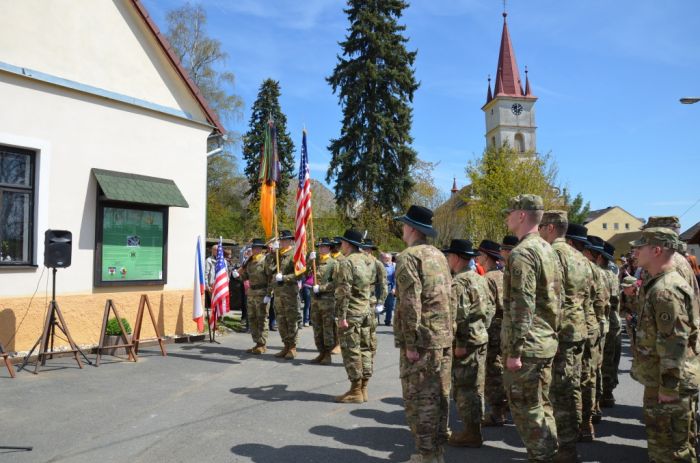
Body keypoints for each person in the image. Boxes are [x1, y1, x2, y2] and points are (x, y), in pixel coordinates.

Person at [629, 227, 699, 463]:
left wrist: (668, 387)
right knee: (668, 447)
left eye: (640, 247)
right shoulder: (661, 284)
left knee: (670, 451)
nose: (635, 251)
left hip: (670, 384)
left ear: (656, 250)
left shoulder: (666, 290)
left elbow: (675, 343)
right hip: (664, 380)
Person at [501, 194, 562, 462]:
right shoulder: (547, 248)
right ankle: (549, 453)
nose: (507, 216)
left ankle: (542, 456)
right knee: (542, 406)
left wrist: (514, 350)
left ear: (522, 215)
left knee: (527, 411)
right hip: (544, 340)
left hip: (528, 346)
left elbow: (522, 304)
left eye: (510, 211)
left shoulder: (523, 253)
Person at [394, 205, 453, 463]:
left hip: (422, 340)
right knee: (438, 398)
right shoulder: (438, 255)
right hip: (442, 337)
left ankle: (427, 455)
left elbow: (410, 302)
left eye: (404, 224)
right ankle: (436, 452)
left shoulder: (409, 256)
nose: (402, 228)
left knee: (419, 401)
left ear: (412, 228)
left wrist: (410, 342)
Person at [539, 210, 591, 462]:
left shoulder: (554, 254)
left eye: (541, 227)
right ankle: (574, 436)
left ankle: (566, 448)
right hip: (578, 329)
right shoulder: (579, 256)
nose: (538, 232)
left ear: (550, 228)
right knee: (571, 387)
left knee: (559, 391)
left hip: (561, 331)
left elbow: (551, 297)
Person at [443, 239, 492, 448]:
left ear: (456, 257)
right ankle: (474, 429)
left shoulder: (460, 282)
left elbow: (460, 315)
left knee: (464, 388)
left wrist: (461, 342)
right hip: (480, 336)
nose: (447, 259)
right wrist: (482, 329)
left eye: (448, 255)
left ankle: (471, 433)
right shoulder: (480, 279)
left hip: (467, 340)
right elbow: (489, 310)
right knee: (476, 385)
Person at [334, 229, 375, 404]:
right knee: (366, 349)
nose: (341, 246)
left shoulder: (347, 262)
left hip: (351, 312)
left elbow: (344, 290)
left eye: (342, 242)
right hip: (367, 311)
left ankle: (356, 390)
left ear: (348, 244)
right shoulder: (369, 260)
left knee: (351, 351)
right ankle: (363, 388)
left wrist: (341, 315)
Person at [477, 239, 508, 427]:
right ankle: (504, 406)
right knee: (502, 366)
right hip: (506, 325)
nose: (477, 258)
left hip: (494, 326)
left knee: (493, 369)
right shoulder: (504, 275)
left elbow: (487, 308)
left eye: (479, 254)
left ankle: (497, 412)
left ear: (486, 257)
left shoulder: (488, 279)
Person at [583, 235, 610, 426]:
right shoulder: (600, 272)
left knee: (587, 372)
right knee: (594, 370)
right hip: (598, 324)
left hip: (589, 324)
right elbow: (603, 304)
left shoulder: (589, 270)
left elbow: (600, 303)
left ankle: (589, 413)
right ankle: (594, 408)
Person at [267, 230, 301, 360]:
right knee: (281, 321)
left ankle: (292, 347)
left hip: (290, 292)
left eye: (285, 240)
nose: (282, 242)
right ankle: (286, 345)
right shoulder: (276, 254)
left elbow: (300, 273)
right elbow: (269, 269)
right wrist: (271, 253)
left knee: (291, 320)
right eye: (281, 240)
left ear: (291, 241)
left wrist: (285, 277)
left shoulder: (295, 254)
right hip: (278, 293)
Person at [600, 241, 622, 408]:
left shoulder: (603, 274)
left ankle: (604, 393)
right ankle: (608, 392)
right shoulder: (612, 273)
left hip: (606, 320)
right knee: (611, 359)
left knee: (605, 359)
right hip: (613, 319)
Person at [309, 237, 337, 365]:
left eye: (324, 246)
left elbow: (336, 282)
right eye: (319, 247)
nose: (321, 249)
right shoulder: (315, 262)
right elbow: (305, 274)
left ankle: (327, 354)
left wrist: (321, 288)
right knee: (317, 327)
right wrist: (309, 261)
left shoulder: (334, 263)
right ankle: (320, 352)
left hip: (327, 300)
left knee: (327, 328)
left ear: (329, 248)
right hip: (315, 300)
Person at [238, 239, 269, 354]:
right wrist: (238, 276)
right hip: (251, 293)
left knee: (262, 318)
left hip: (262, 292)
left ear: (261, 249)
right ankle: (257, 343)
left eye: (258, 248)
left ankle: (262, 344)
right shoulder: (250, 261)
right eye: (254, 248)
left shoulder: (266, 260)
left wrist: (269, 294)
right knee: (252, 319)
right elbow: (246, 276)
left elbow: (270, 278)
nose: (256, 250)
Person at [381, 252, 397, 326]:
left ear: (391, 259)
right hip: (380, 288)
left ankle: (388, 321)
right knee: (378, 304)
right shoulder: (379, 266)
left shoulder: (394, 266)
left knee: (390, 306)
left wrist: (394, 288)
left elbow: (396, 279)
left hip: (390, 287)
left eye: (388, 258)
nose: (386, 260)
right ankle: (374, 320)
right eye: (385, 258)